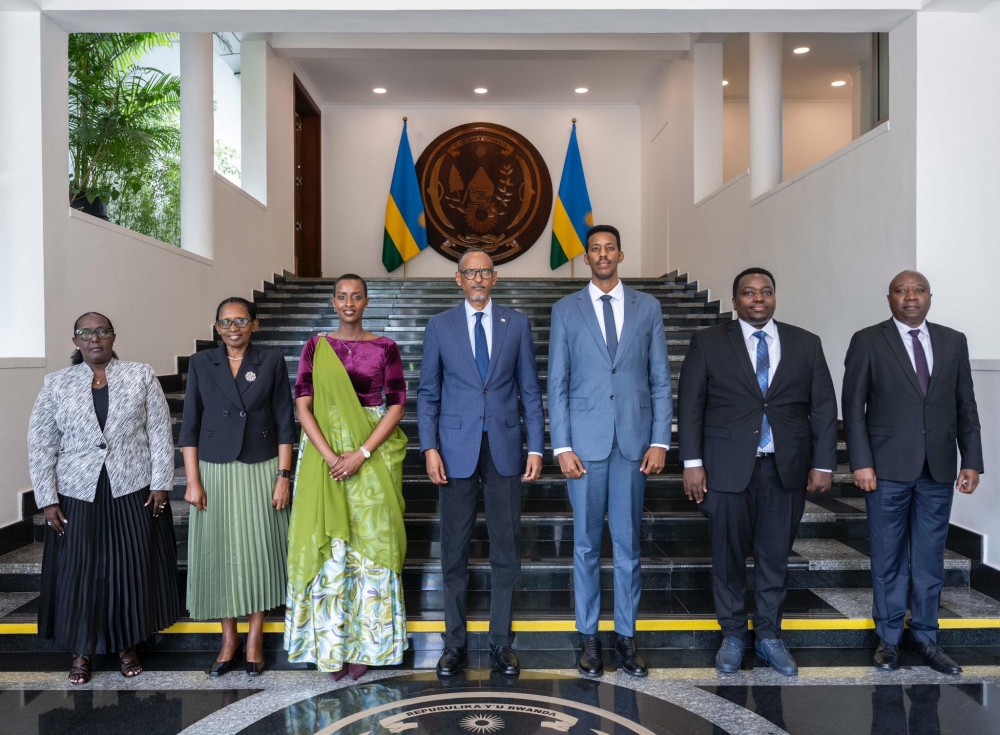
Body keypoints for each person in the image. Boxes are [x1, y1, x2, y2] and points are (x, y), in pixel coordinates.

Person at [678, 268, 837, 676]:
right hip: (726, 470)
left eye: (765, 292)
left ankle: (768, 635)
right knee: (728, 557)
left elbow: (822, 408)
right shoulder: (709, 342)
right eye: (748, 293)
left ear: (775, 297)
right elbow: (691, 406)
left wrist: (823, 462)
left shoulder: (806, 343)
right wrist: (692, 463)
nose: (758, 299)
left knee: (774, 557)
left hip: (785, 469)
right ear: (735, 301)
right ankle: (733, 633)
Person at [842, 270, 983, 675]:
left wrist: (971, 459)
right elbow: (853, 409)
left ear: (930, 297)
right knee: (887, 556)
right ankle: (889, 639)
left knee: (929, 557)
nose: (910, 297)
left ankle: (925, 636)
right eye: (902, 291)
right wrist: (862, 462)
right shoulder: (868, 340)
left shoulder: (953, 341)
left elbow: (965, 406)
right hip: (885, 468)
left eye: (918, 290)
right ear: (889, 298)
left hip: (938, 469)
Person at [28, 312, 179, 685]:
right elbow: (41, 442)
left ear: (113, 337)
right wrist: (47, 497)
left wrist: (161, 482)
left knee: (127, 567)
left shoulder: (140, 375)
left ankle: (127, 645)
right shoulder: (56, 383)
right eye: (86, 333)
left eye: (102, 332)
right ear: (76, 341)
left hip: (131, 487)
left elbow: (161, 433)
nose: (95, 338)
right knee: (80, 570)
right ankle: (82, 650)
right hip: (77, 490)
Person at [549, 224, 671, 679]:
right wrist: (561, 445)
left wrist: (660, 440)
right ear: (586, 258)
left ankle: (625, 637)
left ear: (622, 254)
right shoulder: (566, 309)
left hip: (634, 445)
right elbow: (557, 383)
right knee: (584, 546)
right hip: (584, 445)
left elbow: (660, 378)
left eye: (609, 248)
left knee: (628, 546)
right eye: (595, 249)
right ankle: (588, 640)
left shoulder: (649, 306)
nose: (602, 255)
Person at [417, 248, 544, 677]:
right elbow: (428, 392)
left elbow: (530, 390)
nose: (477, 278)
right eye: (469, 272)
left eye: (484, 272)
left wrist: (537, 447)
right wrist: (429, 447)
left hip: (506, 448)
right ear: (458, 279)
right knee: (454, 550)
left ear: (494, 278)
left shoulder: (517, 323)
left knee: (506, 550)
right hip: (454, 452)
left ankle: (500, 643)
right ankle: (454, 644)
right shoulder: (439, 326)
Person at [285, 274, 409, 681]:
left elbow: (396, 406)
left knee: (370, 551)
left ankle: (369, 646)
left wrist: (362, 453)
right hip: (324, 456)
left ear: (367, 301)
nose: (349, 303)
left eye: (357, 296)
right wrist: (329, 456)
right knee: (333, 549)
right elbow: (303, 406)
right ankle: (332, 641)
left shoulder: (386, 348)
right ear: (333, 302)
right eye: (342, 296)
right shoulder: (315, 347)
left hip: (372, 454)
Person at [178, 297, 296, 677]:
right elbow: (190, 425)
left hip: (260, 467)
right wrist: (192, 480)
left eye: (241, 320)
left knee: (258, 550)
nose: (233, 327)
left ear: (254, 325)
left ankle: (255, 637)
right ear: (216, 328)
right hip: (214, 470)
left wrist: (283, 476)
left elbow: (284, 422)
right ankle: (228, 640)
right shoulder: (201, 363)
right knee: (220, 553)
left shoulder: (271, 361)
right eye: (226, 322)